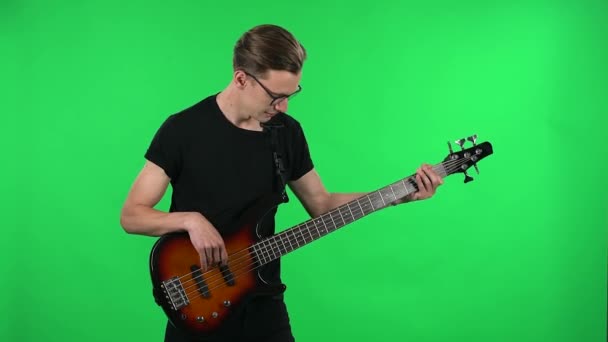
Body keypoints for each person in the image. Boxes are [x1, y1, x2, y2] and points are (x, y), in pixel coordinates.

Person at [120, 24, 443, 342]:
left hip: (263, 302)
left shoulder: (286, 133)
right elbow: (132, 215)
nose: (283, 107)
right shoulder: (183, 130)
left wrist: (402, 193)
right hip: (198, 301)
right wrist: (190, 220)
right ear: (241, 78)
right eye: (275, 96)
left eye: (290, 95)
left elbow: (322, 204)